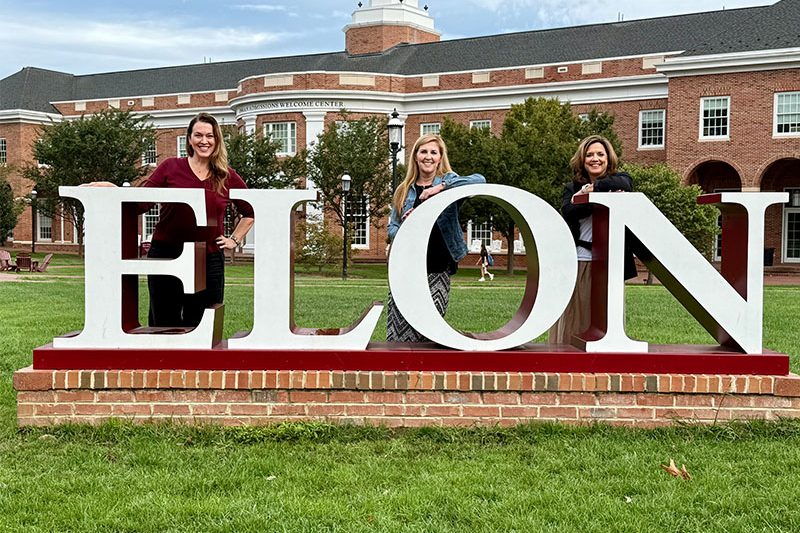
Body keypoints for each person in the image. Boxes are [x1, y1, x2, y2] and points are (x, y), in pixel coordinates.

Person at [85, 113, 254, 328]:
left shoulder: (225, 176)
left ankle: (197, 363)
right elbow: (141, 204)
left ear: (217, 140)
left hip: (207, 257)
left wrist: (234, 239)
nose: (204, 141)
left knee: (201, 324)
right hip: (166, 254)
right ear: (189, 139)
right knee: (164, 322)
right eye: (198, 135)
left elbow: (251, 210)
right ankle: (164, 363)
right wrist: (114, 191)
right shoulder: (170, 167)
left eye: (210, 136)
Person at [386, 134, 486, 342]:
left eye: (434, 152)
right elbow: (391, 228)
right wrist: (407, 227)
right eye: (423, 152)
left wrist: (440, 188)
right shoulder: (404, 191)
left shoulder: (450, 184)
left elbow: (480, 180)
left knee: (429, 330)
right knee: (400, 330)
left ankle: (422, 373)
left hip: (438, 266)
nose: (428, 157)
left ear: (440, 158)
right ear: (415, 157)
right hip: (407, 267)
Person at [548, 134, 636, 345]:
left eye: (600, 154)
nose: (595, 159)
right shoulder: (572, 187)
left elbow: (627, 183)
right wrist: (589, 196)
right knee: (576, 315)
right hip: (580, 259)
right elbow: (569, 210)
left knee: (605, 316)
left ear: (608, 158)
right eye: (589, 155)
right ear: (582, 159)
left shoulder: (620, 180)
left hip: (609, 263)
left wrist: (595, 189)